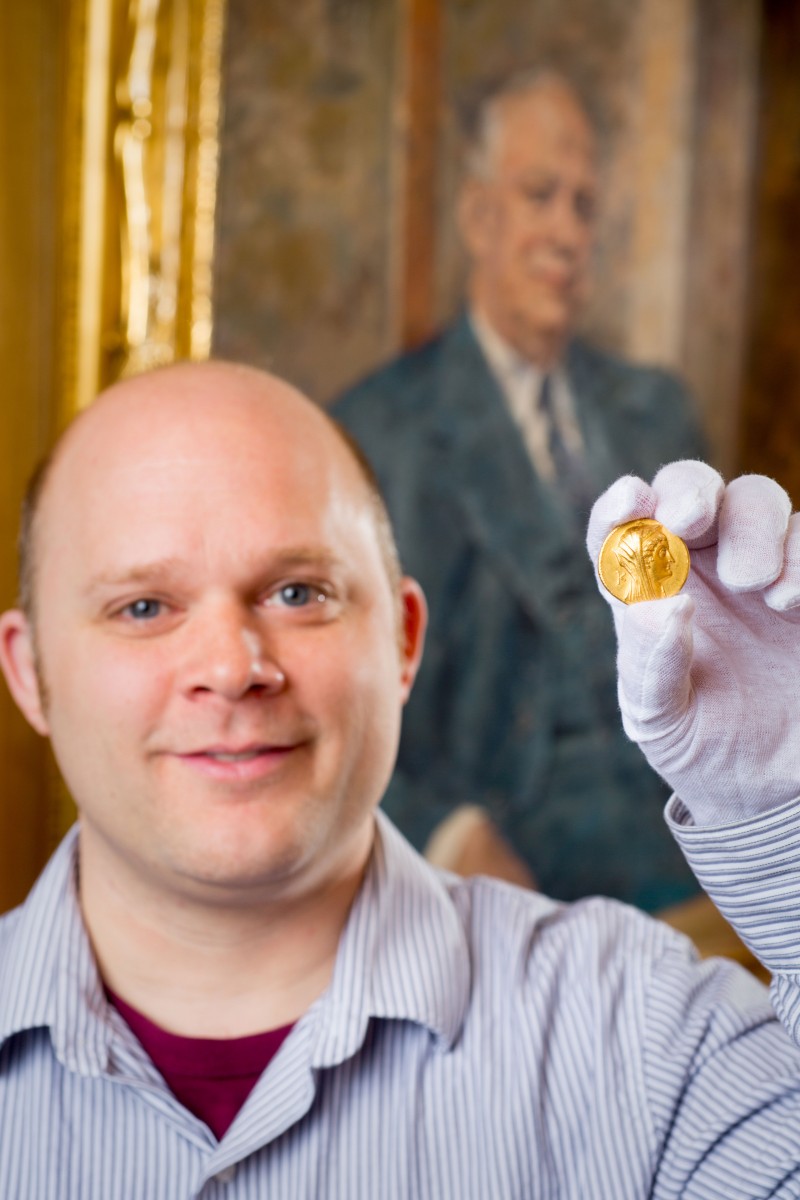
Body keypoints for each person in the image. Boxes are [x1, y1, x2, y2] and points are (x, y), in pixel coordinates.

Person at [0, 359, 799, 1196]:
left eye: (298, 592)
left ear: (405, 640)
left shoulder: (653, 1041)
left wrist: (792, 818)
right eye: (143, 608)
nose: (232, 670)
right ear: (31, 670)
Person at [333, 68, 709, 909]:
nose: (567, 232)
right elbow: (330, 713)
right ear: (478, 217)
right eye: (540, 196)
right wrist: (450, 835)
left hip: (698, 854)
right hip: (510, 891)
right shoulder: (380, 431)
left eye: (583, 206)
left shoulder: (655, 414)